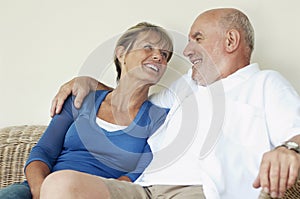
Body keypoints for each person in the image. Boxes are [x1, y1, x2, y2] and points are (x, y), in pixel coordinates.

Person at [47, 8, 300, 199]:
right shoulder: (185, 85)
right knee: (60, 185)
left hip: (201, 191)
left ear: (231, 41)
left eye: (197, 39)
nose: (187, 51)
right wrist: (90, 83)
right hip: (143, 189)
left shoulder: (265, 83)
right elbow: (132, 97)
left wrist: (289, 149)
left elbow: (296, 133)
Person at [0, 22, 173, 199]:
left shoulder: (159, 119)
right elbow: (43, 151)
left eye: (165, 54)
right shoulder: (81, 99)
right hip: (39, 188)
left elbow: (134, 177)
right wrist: (40, 191)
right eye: (148, 47)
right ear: (122, 54)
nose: (158, 56)